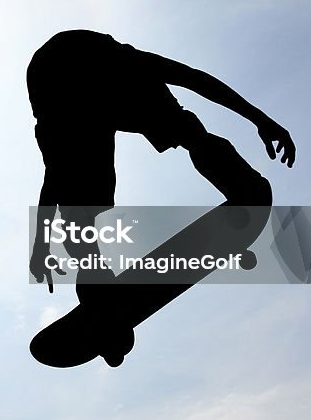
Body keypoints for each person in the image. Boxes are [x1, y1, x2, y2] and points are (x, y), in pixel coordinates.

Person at [28, 29, 296, 298]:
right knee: (184, 132)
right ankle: (93, 274)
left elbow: (56, 176)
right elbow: (197, 80)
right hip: (54, 77)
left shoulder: (132, 70)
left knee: (81, 195)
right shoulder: (126, 74)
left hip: (62, 73)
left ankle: (93, 274)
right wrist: (260, 120)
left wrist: (40, 246)